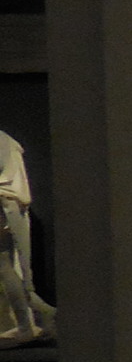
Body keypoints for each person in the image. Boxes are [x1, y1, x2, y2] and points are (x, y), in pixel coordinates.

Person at [0, 131, 53, 346]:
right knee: (17, 268)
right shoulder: (6, 139)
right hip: (14, 203)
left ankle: (27, 324)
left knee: (7, 265)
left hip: (7, 202)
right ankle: (37, 320)